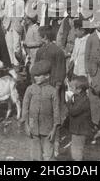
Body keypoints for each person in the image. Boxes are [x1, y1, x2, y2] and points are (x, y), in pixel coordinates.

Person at [35, 26, 67, 156]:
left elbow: (61, 69)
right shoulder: (40, 51)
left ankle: (56, 145)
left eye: (39, 35)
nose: (38, 37)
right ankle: (46, 143)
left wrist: (58, 86)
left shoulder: (57, 51)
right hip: (42, 87)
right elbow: (36, 69)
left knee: (55, 115)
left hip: (54, 87)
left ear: (44, 37)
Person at [22, 60, 60, 161]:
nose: (36, 78)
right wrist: (26, 125)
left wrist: (54, 129)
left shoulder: (53, 91)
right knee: (35, 155)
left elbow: (56, 111)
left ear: (47, 76)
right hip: (33, 126)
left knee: (48, 154)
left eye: (39, 76)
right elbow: (25, 108)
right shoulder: (30, 89)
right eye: (35, 76)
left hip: (48, 127)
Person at [66, 76, 92, 161]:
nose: (71, 89)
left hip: (80, 130)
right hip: (78, 129)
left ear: (79, 89)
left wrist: (69, 101)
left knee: (76, 151)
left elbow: (73, 111)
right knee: (77, 150)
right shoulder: (79, 97)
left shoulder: (83, 100)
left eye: (72, 87)